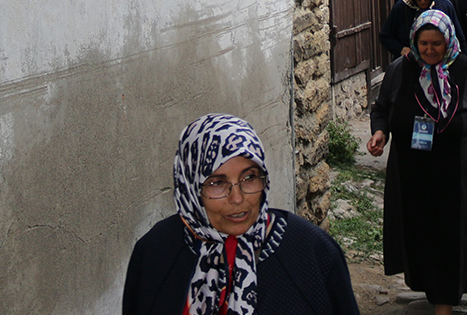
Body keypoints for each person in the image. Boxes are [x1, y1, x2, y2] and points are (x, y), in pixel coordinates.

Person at [123, 113, 359, 315]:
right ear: (191, 188)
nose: (237, 198)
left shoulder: (312, 253)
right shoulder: (155, 253)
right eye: (216, 182)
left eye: (249, 177)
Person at [368, 10, 467, 315]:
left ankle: (444, 301)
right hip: (412, 170)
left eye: (437, 44)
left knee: (450, 233)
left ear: (449, 42)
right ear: (414, 42)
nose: (430, 50)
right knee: (419, 230)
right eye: (424, 43)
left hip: (457, 170)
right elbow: (381, 108)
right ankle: (431, 286)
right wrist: (380, 132)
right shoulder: (399, 70)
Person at [382, 0, 460, 58]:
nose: (422, 1)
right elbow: (385, 36)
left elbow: (458, 35)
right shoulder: (401, 7)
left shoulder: (444, 5)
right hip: (410, 62)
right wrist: (401, 49)